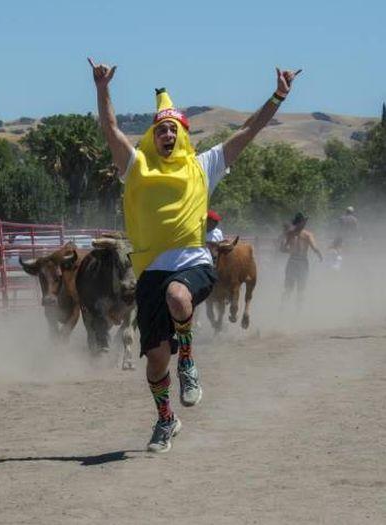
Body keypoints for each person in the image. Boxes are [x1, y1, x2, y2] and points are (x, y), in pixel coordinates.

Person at [88, 56, 301, 453]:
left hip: (192, 263)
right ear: (153, 137)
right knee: (154, 360)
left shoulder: (204, 165)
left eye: (174, 129)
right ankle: (166, 420)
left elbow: (248, 131)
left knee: (178, 297)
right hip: (150, 271)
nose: (167, 134)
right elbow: (110, 129)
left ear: (183, 135)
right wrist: (103, 90)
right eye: (161, 130)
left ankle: (188, 358)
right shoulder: (136, 166)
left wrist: (277, 97)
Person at [281, 212, 323, 305]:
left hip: (295, 261)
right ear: (300, 222)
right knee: (294, 288)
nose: (305, 224)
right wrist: (319, 254)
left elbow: (283, 248)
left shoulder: (291, 233)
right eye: (303, 222)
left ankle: (288, 310)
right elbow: (314, 247)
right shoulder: (306, 234)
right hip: (300, 262)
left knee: (296, 289)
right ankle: (286, 309)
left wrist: (290, 251)